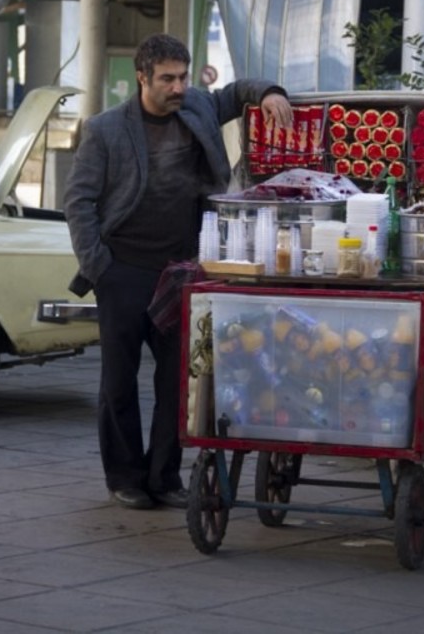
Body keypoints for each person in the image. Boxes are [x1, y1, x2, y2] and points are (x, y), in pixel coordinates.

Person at [63, 33, 293, 510]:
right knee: (118, 382)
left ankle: (164, 475)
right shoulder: (105, 130)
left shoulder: (198, 108)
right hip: (122, 269)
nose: (178, 87)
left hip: (182, 270)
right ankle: (125, 477)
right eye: (167, 78)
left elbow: (237, 91)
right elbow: (78, 201)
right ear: (141, 78)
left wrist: (271, 92)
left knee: (179, 380)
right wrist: (98, 266)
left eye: (183, 77)